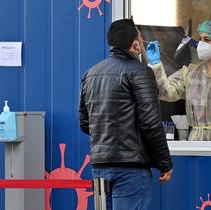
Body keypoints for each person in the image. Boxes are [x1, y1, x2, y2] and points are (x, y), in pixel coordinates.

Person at [78, 19, 173, 210]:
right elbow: (151, 122)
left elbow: (84, 122)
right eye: (139, 37)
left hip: (100, 168)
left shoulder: (91, 74)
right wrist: (165, 163)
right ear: (136, 44)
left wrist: (109, 139)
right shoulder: (140, 72)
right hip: (131, 170)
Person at [149, 20, 211, 141]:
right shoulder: (191, 72)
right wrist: (156, 67)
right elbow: (167, 93)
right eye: (200, 39)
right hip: (195, 141)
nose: (201, 44)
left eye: (207, 39)